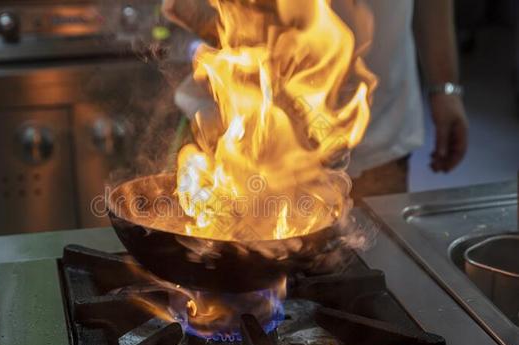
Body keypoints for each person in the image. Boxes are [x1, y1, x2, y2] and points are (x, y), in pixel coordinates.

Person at [162, 0, 469, 199]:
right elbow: (185, 5)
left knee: (374, 287)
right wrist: (274, 62)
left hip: (381, 139)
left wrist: (445, 87)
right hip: (244, 145)